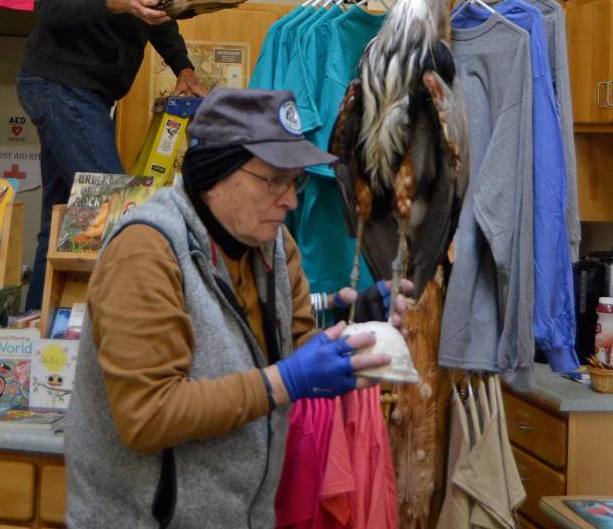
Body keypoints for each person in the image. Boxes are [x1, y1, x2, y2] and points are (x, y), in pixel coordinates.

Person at [66, 87, 410, 529]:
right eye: (274, 180)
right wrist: (281, 383)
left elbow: (296, 348)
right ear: (215, 174)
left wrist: (359, 326)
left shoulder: (273, 247)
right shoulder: (146, 251)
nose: (290, 200)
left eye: (296, 181)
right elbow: (147, 415)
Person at [17, 0, 206, 309]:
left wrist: (182, 67)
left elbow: (159, 13)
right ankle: (136, 334)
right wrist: (116, 0)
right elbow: (52, 4)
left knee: (60, 222)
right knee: (124, 213)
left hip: (89, 94)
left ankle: (36, 334)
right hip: (60, 83)